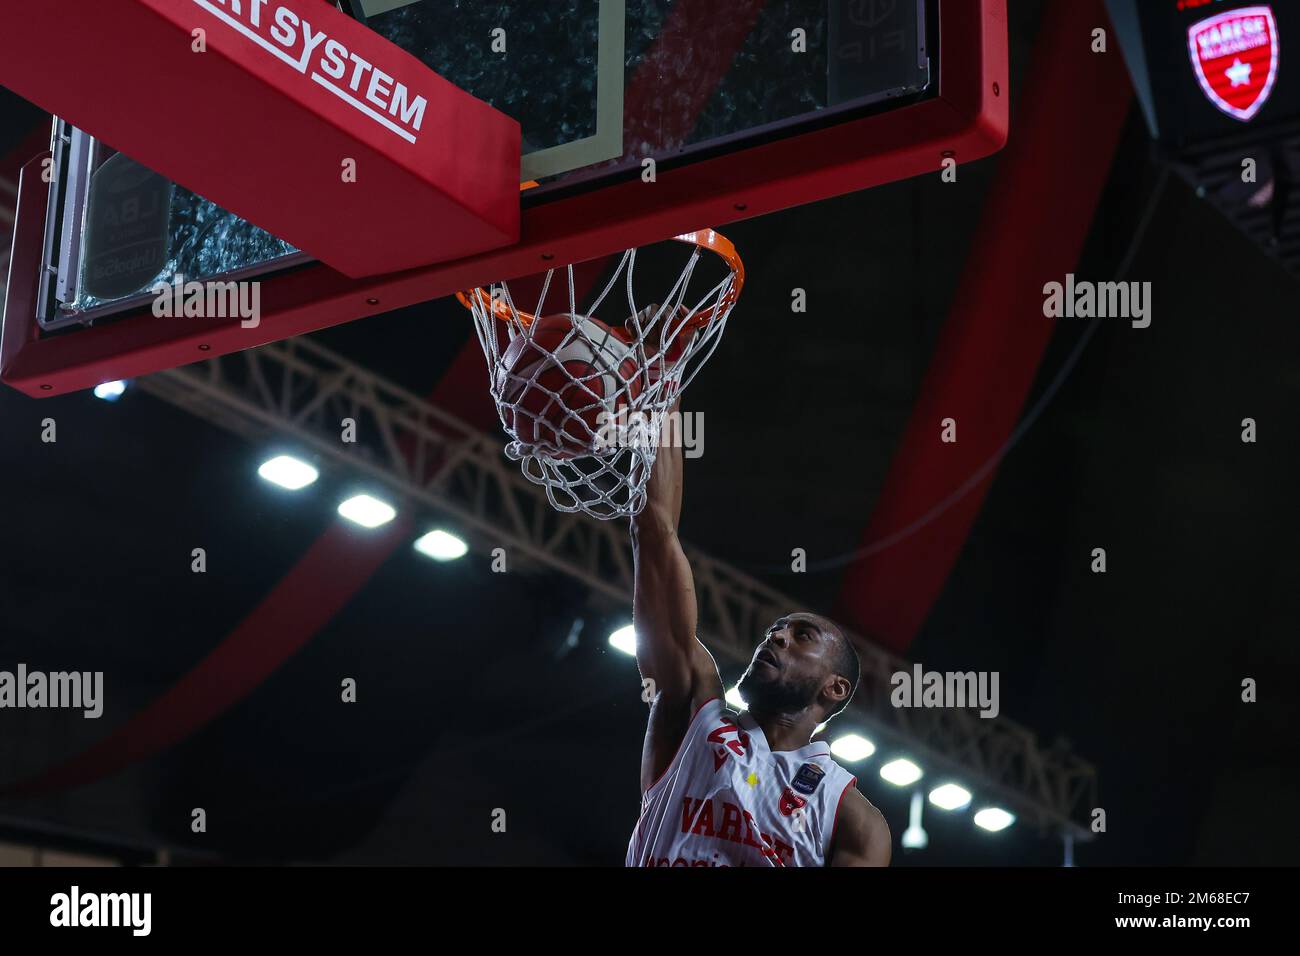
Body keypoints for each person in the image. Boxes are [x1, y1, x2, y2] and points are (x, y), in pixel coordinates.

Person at [625, 415, 891, 866]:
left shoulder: (853, 820)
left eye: (801, 635)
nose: (778, 636)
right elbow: (654, 531)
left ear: (836, 687)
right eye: (775, 630)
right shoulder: (695, 710)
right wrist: (662, 393)